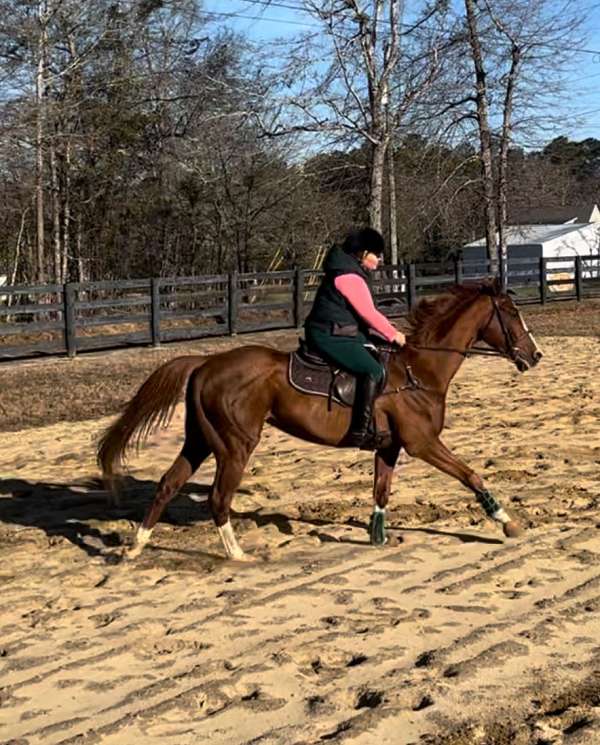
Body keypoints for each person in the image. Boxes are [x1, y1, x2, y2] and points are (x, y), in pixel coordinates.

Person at [304, 227, 406, 450]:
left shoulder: (348, 270)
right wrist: (393, 334)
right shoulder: (349, 276)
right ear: (363, 253)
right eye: (376, 255)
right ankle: (360, 431)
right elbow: (369, 314)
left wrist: (384, 331)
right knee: (373, 370)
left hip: (342, 330)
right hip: (330, 334)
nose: (379, 260)